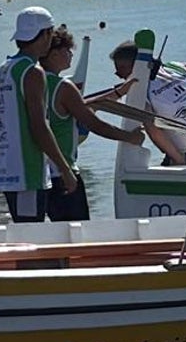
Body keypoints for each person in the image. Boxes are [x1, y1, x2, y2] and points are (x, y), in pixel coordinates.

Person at [40, 27, 145, 220]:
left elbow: (83, 105)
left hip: (41, 175)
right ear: (54, 55)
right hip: (65, 174)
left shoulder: (34, 82)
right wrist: (130, 137)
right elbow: (95, 124)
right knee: (79, 233)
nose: (71, 55)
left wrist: (118, 93)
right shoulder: (63, 86)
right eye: (67, 51)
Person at [0, 7, 77, 223]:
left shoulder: (1, 70)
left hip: (5, 170)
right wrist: (64, 168)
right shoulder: (32, 72)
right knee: (31, 236)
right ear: (45, 34)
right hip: (28, 174)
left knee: (25, 231)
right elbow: (39, 126)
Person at [110, 41, 186, 166]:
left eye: (121, 70)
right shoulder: (176, 67)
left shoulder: (139, 91)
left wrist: (179, 160)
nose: (119, 76)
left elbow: (153, 130)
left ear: (136, 64)